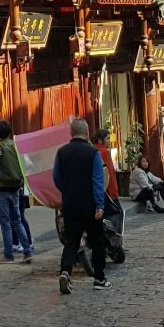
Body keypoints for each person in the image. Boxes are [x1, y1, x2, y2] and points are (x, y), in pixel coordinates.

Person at [53, 118, 109, 293]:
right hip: (90, 204)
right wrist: (100, 204)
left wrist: (67, 191)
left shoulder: (61, 152)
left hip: (70, 204)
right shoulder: (93, 153)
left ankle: (65, 272)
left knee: (71, 242)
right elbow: (98, 181)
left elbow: (56, 178)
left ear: (71, 133)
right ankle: (99, 278)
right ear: (87, 132)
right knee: (97, 240)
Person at [0, 120, 32, 264]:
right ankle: (27, 250)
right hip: (16, 187)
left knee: (5, 222)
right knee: (17, 220)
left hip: (2, 188)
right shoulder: (15, 145)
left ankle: (8, 254)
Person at [93, 129, 121, 201]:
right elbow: (110, 173)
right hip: (107, 189)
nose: (109, 141)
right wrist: (114, 192)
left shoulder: (92, 150)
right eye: (107, 138)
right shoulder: (105, 152)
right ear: (100, 140)